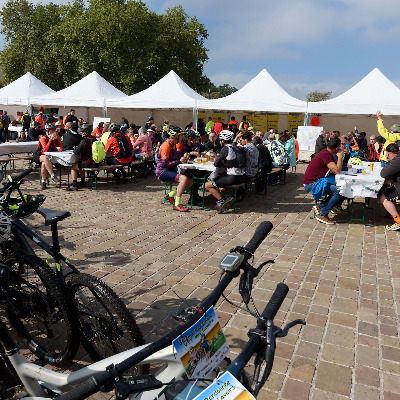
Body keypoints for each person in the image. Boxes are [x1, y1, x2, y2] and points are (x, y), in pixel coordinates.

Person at [303, 137, 346, 225]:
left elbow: (338, 167)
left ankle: (321, 206)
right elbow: (337, 171)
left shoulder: (326, 152)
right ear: (336, 148)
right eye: (340, 146)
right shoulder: (326, 155)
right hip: (311, 183)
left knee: (343, 189)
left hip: (317, 180)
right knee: (340, 192)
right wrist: (340, 157)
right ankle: (323, 214)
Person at [204, 130, 246, 212]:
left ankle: (222, 201)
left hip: (233, 178)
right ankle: (227, 197)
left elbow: (216, 163)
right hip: (241, 176)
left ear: (222, 141)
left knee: (207, 185)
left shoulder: (226, 148)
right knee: (220, 176)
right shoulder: (235, 147)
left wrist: (221, 162)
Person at [155, 126, 192, 212]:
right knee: (184, 179)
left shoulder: (173, 145)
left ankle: (170, 195)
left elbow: (176, 159)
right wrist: (179, 161)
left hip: (170, 170)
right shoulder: (166, 145)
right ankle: (177, 204)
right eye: (181, 135)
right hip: (162, 171)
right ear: (176, 136)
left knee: (190, 181)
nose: (182, 137)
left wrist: (183, 159)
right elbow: (164, 163)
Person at [69, 124, 98, 191]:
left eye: (82, 131)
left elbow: (76, 152)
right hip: (96, 162)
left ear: (85, 132)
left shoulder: (84, 141)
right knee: (80, 164)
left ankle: (74, 185)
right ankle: (82, 181)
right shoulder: (95, 139)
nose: (81, 133)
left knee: (73, 167)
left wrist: (75, 149)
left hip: (88, 162)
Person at [33, 125, 62, 189]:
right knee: (45, 158)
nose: (53, 132)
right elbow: (45, 150)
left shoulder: (57, 137)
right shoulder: (43, 138)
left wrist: (59, 148)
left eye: (54, 130)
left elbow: (61, 147)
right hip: (39, 155)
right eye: (51, 131)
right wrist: (50, 140)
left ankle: (43, 182)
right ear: (47, 132)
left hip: (50, 156)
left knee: (44, 163)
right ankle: (52, 175)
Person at [378, 143, 400, 230]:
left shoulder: (397, 160)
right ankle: (393, 215)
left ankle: (398, 221)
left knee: (383, 198)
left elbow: (383, 173)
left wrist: (388, 161)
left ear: (388, 153)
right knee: (388, 193)